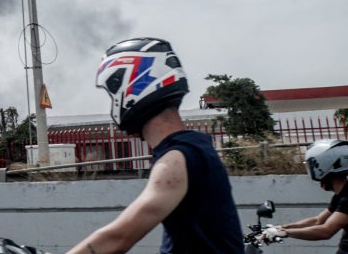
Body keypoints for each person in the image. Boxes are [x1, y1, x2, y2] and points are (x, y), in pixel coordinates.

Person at [66, 37, 243, 254]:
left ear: (131, 84)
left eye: (112, 92)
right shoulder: (194, 147)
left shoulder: (176, 160)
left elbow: (118, 237)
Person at [258, 138, 348, 252]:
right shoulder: (345, 193)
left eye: (312, 165)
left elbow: (325, 231)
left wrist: (285, 233)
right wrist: (280, 227)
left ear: (324, 165)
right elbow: (318, 220)